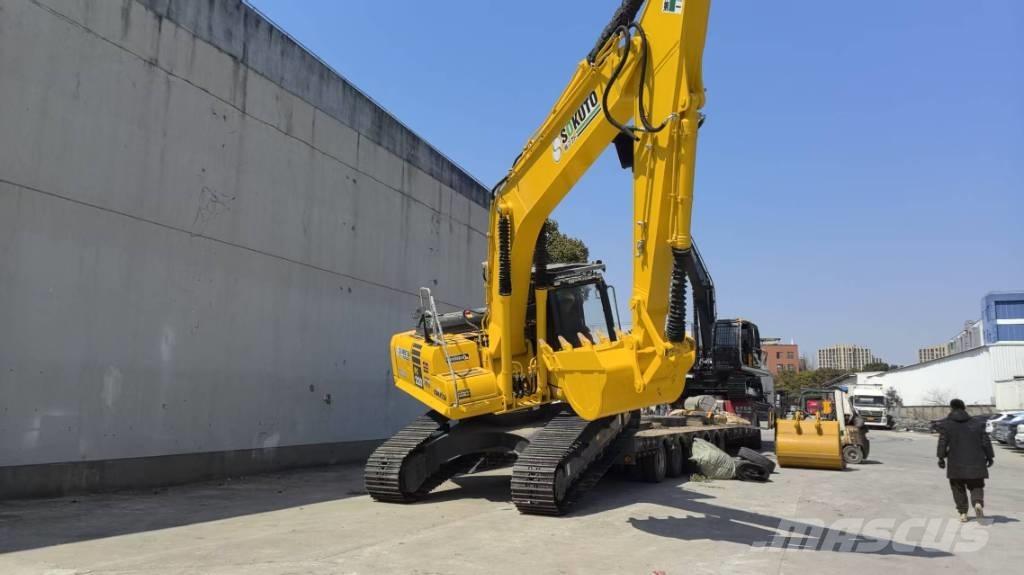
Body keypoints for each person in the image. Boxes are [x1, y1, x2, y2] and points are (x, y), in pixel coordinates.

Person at [936, 398, 994, 522]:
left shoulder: (946, 424)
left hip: (955, 462)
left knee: (957, 487)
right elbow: (985, 441)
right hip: (976, 461)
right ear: (964, 408)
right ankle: (977, 502)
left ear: (951, 408)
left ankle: (963, 512)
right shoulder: (977, 423)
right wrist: (990, 456)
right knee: (977, 485)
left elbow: (942, 442)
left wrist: (941, 457)